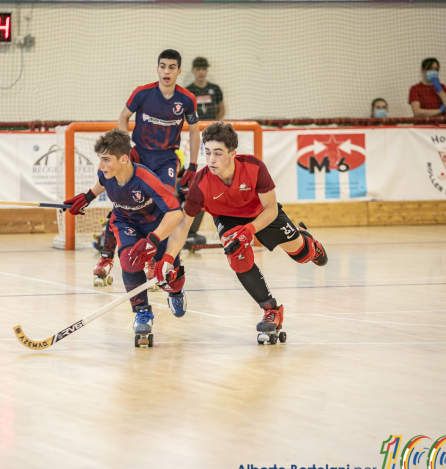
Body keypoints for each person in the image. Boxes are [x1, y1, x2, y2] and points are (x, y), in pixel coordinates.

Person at [155, 122, 329, 344]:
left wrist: (249, 230)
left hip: (261, 214)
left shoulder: (254, 167)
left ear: (232, 154)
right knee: (236, 254)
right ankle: (271, 309)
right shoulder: (199, 184)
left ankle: (307, 241)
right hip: (227, 220)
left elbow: (272, 209)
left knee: (303, 255)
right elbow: (183, 226)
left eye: (218, 153)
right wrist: (168, 258)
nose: (211, 160)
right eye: (207, 153)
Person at [63, 129, 185, 347]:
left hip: (154, 227)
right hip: (125, 222)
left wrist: (154, 240)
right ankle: (142, 313)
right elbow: (101, 181)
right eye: (100, 159)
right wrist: (87, 197)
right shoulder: (106, 174)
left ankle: (176, 292)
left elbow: (176, 213)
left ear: (124, 159)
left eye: (106, 160)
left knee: (172, 278)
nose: (101, 166)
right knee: (129, 261)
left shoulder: (147, 180)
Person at [91, 49, 200, 287]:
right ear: (157, 69)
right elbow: (123, 118)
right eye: (163, 66)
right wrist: (124, 150)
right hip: (138, 154)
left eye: (172, 67)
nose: (167, 71)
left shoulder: (187, 99)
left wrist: (193, 163)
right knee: (125, 204)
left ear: (179, 71)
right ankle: (107, 257)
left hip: (166, 160)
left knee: (166, 206)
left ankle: (154, 260)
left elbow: (194, 131)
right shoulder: (142, 93)